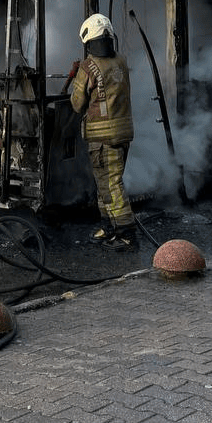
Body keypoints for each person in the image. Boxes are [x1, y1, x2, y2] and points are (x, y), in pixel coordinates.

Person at [69, 13, 136, 252]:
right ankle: (108, 227)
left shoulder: (89, 67)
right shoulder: (121, 61)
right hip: (123, 133)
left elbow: (77, 104)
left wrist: (77, 76)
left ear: (88, 41)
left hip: (102, 138)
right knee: (106, 183)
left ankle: (126, 233)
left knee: (112, 184)